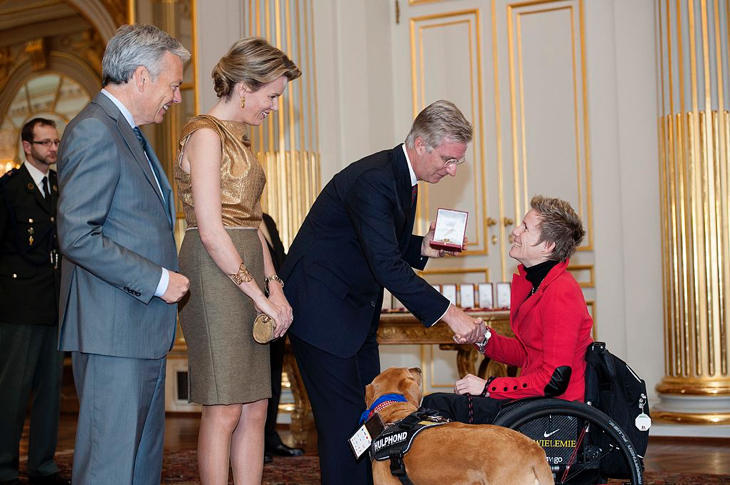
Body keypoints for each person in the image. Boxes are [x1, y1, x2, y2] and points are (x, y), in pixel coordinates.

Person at [280, 100, 487, 485]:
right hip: (322, 312)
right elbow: (386, 265)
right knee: (346, 428)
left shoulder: (401, 176)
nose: (453, 169)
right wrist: (451, 314)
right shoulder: (374, 178)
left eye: (458, 161)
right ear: (421, 143)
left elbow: (375, 243)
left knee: (371, 421)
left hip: (353, 314)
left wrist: (421, 246)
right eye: (448, 159)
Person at [56, 25, 190, 485]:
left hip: (138, 331)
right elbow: (77, 235)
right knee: (109, 471)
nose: (175, 97)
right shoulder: (95, 130)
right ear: (140, 77)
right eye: (172, 85)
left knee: (139, 468)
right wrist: (158, 280)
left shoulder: (127, 133)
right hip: (113, 332)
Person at [174, 37, 299, 485]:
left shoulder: (240, 139)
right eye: (272, 96)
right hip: (212, 271)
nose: (274, 107)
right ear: (245, 87)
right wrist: (257, 295)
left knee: (256, 405)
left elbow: (251, 225)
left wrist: (275, 287)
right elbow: (211, 230)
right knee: (225, 405)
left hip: (245, 259)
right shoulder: (205, 133)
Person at [422, 195, 594, 424]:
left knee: (437, 406)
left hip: (555, 414)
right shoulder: (539, 285)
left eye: (525, 228)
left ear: (548, 246)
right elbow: (527, 354)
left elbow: (554, 380)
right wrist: (483, 338)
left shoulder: (561, 291)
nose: (515, 231)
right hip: (536, 404)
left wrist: (488, 387)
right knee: (438, 406)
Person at [0, 119, 68, 485]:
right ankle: (4, 466)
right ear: (27, 147)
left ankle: (42, 464)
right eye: (45, 144)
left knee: (49, 390)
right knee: (13, 390)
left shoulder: (59, 187)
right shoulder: (10, 189)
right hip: (18, 305)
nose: (52, 150)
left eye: (56, 142)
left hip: (52, 303)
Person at [260, 213, 305, 463]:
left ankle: (269, 436)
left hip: (277, 311)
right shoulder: (233, 214)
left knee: (274, 377)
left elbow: (281, 261)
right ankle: (257, 442)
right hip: (254, 309)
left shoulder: (267, 220)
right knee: (257, 381)